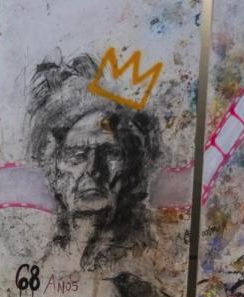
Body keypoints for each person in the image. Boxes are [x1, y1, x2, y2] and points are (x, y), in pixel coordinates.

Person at [28, 54, 161, 272]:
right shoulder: (46, 263)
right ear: (53, 169)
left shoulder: (145, 262)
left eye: (110, 152)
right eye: (77, 154)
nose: (93, 170)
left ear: (132, 167)